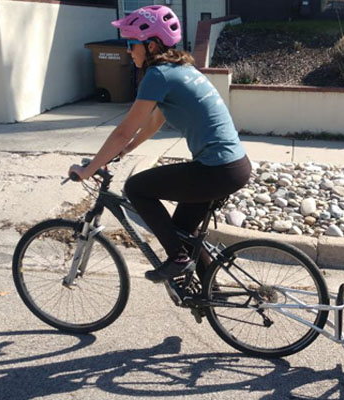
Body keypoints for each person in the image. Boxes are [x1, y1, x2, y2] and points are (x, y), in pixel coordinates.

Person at [68, 5, 251, 283]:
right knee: (182, 231)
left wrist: (89, 169)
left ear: (151, 45)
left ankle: (177, 259)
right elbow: (155, 120)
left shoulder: (158, 75)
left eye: (131, 44)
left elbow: (123, 131)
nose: (128, 51)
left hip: (216, 169)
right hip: (232, 165)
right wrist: (127, 150)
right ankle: (210, 293)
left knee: (136, 188)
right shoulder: (180, 69)